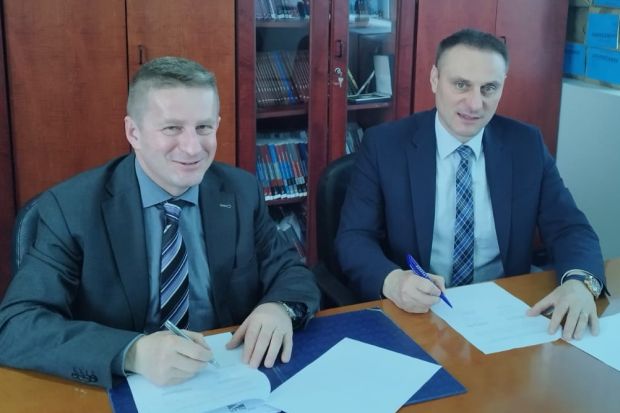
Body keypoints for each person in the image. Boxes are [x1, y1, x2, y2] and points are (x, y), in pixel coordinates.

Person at [0, 57, 320, 388]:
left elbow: (291, 272)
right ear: (133, 132)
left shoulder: (240, 191)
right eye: (172, 128)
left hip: (225, 376)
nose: (193, 148)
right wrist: (132, 352)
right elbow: (15, 326)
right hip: (125, 386)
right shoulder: (72, 208)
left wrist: (279, 308)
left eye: (203, 127)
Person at [336, 28, 606, 341]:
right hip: (419, 315)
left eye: (489, 88)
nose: (475, 104)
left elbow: (570, 227)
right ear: (435, 79)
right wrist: (394, 281)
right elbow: (354, 237)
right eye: (461, 84)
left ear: (502, 86)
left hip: (504, 316)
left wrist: (580, 283)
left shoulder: (525, 145)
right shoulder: (385, 145)